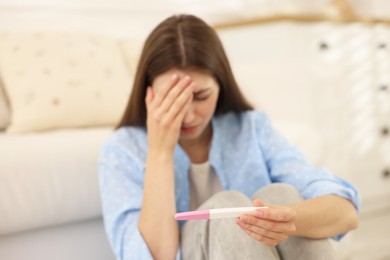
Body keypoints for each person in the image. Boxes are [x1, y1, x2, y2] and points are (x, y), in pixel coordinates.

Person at [98, 14, 359, 260]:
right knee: (227, 207)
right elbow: (155, 256)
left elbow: (345, 211)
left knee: (281, 194)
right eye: (173, 99)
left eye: (201, 96)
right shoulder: (122, 151)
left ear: (220, 87)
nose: (188, 115)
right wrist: (160, 151)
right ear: (149, 94)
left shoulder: (250, 128)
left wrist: (290, 219)